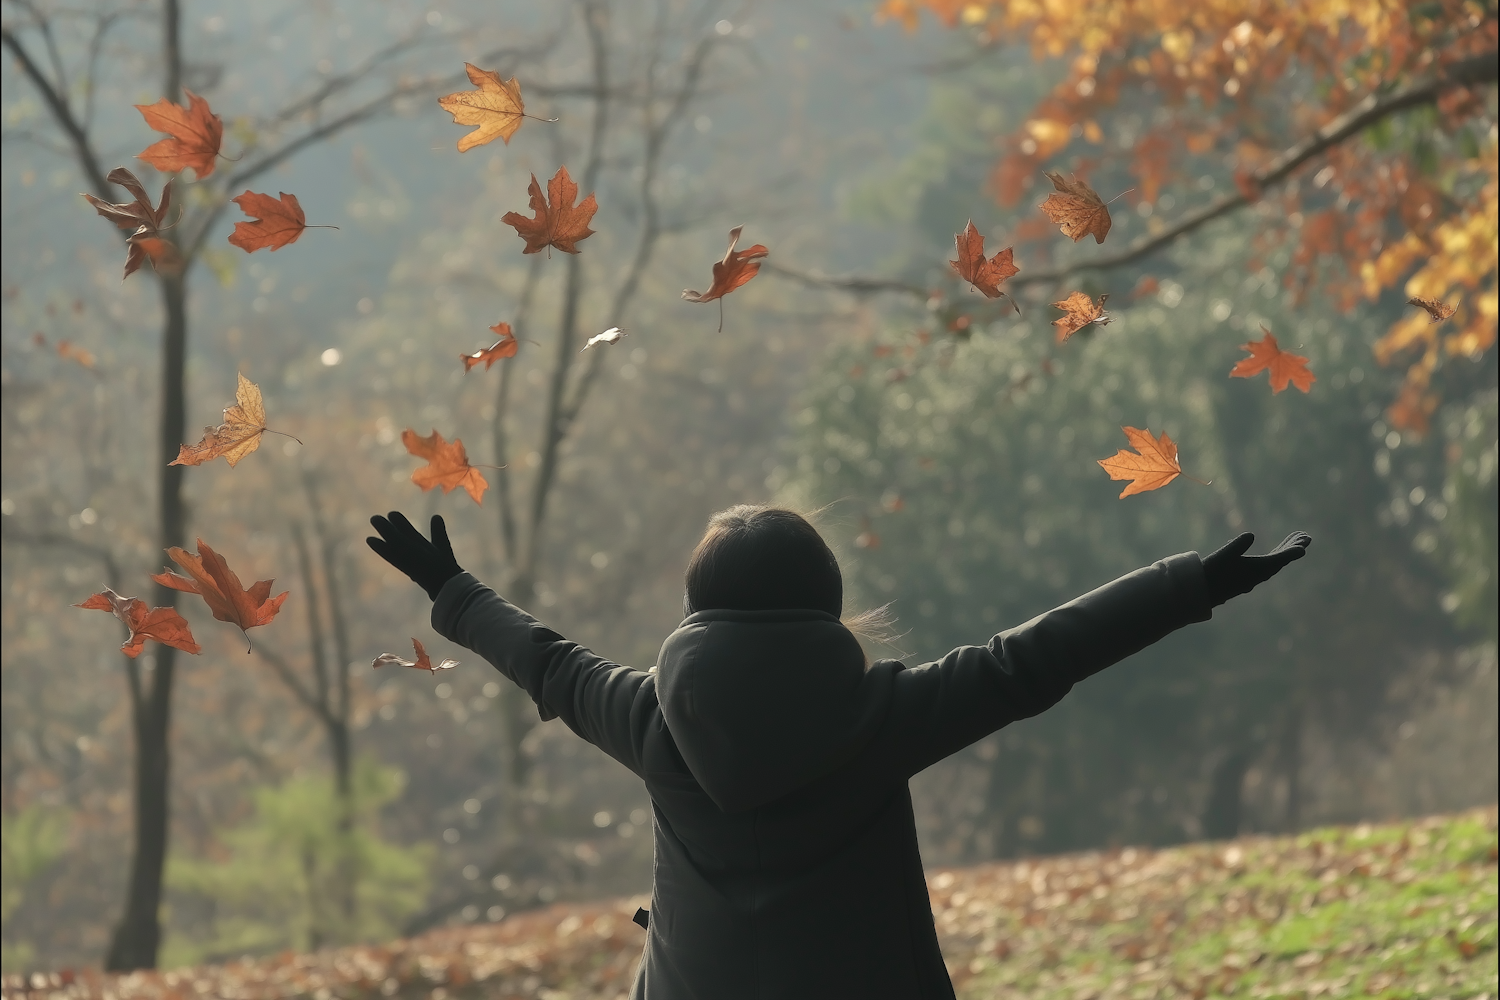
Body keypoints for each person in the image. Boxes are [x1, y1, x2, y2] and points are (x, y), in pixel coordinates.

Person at [368, 504, 1310, 999]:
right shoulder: (887, 715)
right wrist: (1192, 584)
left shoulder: (650, 721)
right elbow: (1035, 658)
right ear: (824, 604)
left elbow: (548, 664)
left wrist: (449, 586)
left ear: (698, 614)